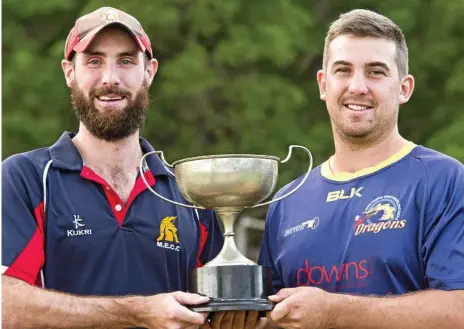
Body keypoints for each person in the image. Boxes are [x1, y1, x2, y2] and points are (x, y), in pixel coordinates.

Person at [1, 6, 225, 329]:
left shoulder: (189, 192)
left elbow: (222, 311)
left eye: (126, 61)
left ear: (149, 72)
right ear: (69, 72)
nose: (110, 78)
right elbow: (6, 306)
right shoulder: (27, 180)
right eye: (94, 61)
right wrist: (137, 312)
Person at [258, 8, 464, 329]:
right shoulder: (287, 201)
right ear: (323, 84)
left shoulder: (444, 181)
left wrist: (334, 312)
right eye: (343, 70)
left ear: (404, 88)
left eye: (376, 72)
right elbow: (268, 318)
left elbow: (459, 309)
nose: (357, 86)